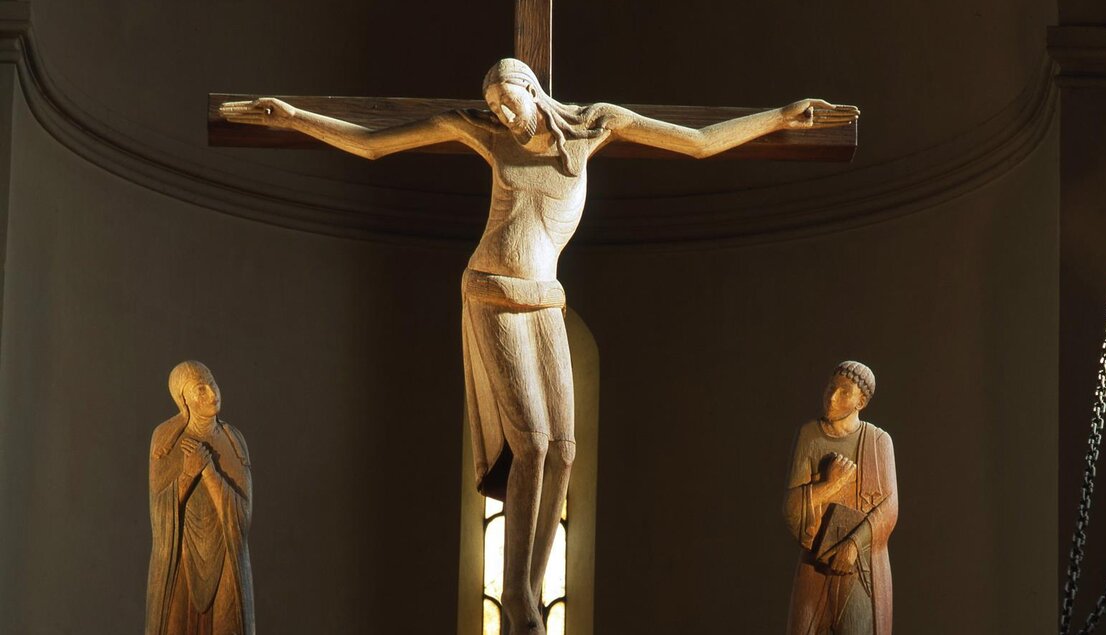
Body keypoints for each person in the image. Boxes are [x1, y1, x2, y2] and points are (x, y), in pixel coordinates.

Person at [220, 60, 858, 634]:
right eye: (495, 105)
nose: (503, 114)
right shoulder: (487, 134)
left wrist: (780, 118)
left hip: (545, 297)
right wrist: (297, 118)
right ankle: (522, 598)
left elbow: (696, 143)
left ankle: (529, 581)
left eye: (509, 101)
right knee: (529, 444)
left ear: (534, 90)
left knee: (564, 449)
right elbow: (371, 145)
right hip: (491, 290)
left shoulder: (595, 126)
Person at [783, 361, 897, 634]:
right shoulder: (809, 436)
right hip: (815, 565)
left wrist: (854, 545)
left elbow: (889, 508)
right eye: (831, 387)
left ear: (861, 401)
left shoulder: (878, 441)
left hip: (862, 568)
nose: (832, 396)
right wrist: (829, 485)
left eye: (844, 391)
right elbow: (791, 511)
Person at [146, 361, 254, 635]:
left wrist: (210, 473)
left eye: (213, 384)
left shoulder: (233, 441)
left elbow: (242, 517)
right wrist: (188, 473)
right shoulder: (164, 441)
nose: (212, 393)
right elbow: (159, 517)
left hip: (226, 559)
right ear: (184, 399)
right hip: (179, 560)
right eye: (200, 389)